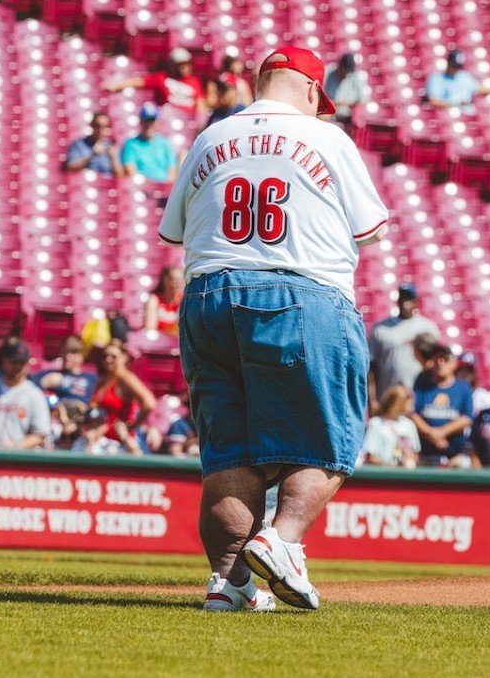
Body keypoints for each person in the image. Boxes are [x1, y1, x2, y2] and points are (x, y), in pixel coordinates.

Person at [158, 45, 389, 612]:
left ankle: (229, 583)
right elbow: (372, 230)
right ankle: (282, 540)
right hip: (301, 291)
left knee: (229, 453)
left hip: (208, 296)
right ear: (312, 91)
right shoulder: (329, 139)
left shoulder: (212, 136)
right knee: (329, 440)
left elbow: (174, 231)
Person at [368, 283, 441, 403]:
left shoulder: (428, 328)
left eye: (409, 298)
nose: (405, 302)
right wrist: (373, 401)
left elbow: (436, 362)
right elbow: (371, 368)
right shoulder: (380, 328)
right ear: (397, 300)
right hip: (388, 398)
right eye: (402, 297)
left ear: (416, 301)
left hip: (420, 398)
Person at [411, 344, 475, 468]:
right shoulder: (423, 385)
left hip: (454, 455)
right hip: (425, 453)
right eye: (437, 359)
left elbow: (467, 418)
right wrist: (432, 434)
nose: (440, 363)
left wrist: (442, 432)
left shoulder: (463, 388)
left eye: (445, 359)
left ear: (454, 364)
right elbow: (414, 413)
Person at [88, 341, 156, 456]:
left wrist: (133, 426)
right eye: (105, 356)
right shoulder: (103, 379)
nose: (108, 360)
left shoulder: (125, 378)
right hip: (101, 438)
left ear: (124, 358)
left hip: (119, 442)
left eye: (113, 357)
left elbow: (149, 403)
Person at [0, 340, 50, 450]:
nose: (17, 366)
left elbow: (40, 435)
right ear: (4, 362)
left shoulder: (34, 394)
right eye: (13, 362)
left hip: (16, 461)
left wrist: (16, 446)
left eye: (21, 362)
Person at [105, 48, 206, 116]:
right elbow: (138, 82)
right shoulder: (161, 78)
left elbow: (200, 103)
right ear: (173, 65)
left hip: (187, 122)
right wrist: (115, 86)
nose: (186, 68)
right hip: (166, 119)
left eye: (188, 64)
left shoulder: (194, 81)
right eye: (181, 65)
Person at [424, 49, 490, 112]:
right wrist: (456, 105)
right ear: (448, 63)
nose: (456, 69)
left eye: (458, 67)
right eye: (454, 66)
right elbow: (434, 101)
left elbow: (480, 89)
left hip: (469, 117)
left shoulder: (464, 76)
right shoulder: (437, 78)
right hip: (450, 117)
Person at [360, 384, 419, 467]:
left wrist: (408, 460)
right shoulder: (375, 423)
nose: (411, 408)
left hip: (406, 477)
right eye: (408, 404)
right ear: (398, 403)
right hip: (382, 476)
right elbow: (371, 457)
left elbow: (415, 454)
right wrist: (393, 464)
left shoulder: (409, 425)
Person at [120, 104, 178, 183]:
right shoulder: (131, 144)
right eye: (146, 121)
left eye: (152, 121)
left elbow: (172, 171)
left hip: (164, 187)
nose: (149, 125)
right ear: (141, 122)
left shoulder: (165, 143)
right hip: (143, 188)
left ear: (157, 122)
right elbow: (131, 170)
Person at [37, 336, 97, 405]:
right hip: (59, 410)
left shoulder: (92, 378)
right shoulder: (51, 374)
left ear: (81, 356)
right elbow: (28, 386)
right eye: (64, 352)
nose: (67, 356)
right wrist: (45, 382)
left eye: (73, 353)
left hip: (82, 411)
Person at [63, 112, 122, 177]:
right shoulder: (78, 144)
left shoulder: (110, 146)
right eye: (97, 125)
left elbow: (120, 175)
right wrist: (92, 155)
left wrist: (112, 159)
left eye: (104, 126)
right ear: (92, 125)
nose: (100, 130)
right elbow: (70, 167)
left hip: (107, 184)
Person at [322, 53, 372, 125]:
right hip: (329, 115)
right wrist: (334, 103)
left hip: (348, 117)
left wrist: (348, 103)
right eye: (345, 70)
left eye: (348, 71)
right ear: (340, 65)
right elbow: (318, 95)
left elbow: (364, 100)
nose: (346, 73)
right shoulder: (328, 72)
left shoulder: (356, 76)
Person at [143, 265, 182, 335]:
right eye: (175, 280)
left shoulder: (183, 300)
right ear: (165, 280)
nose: (179, 284)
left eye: (181, 280)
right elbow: (150, 328)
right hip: (159, 340)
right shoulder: (154, 300)